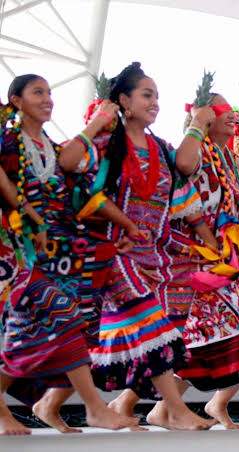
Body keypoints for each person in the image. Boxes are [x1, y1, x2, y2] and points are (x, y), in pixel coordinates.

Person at [80, 62, 216, 430]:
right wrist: (123, 225)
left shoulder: (159, 147)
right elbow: (86, 192)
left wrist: (180, 245)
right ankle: (173, 410)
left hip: (150, 256)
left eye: (157, 95)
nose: (155, 102)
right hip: (112, 252)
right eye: (146, 94)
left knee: (137, 336)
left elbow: (182, 174)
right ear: (123, 100)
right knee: (152, 326)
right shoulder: (109, 143)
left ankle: (55, 403)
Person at [0, 74, 139, 433]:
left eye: (49, 92)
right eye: (37, 92)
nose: (48, 99)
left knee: (34, 329)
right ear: (16, 100)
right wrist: (31, 218)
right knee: (61, 313)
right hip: (16, 251)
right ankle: (94, 407)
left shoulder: (47, 145)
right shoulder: (8, 140)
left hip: (56, 251)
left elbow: (78, 195)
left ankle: (24, 406)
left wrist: (120, 227)